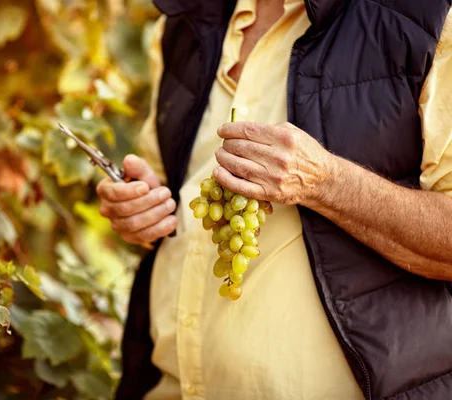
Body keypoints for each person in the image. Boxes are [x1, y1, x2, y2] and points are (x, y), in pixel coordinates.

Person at [97, 0, 452, 399]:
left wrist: (327, 183)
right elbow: (173, 186)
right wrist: (141, 209)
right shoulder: (187, 17)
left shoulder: (427, 18)